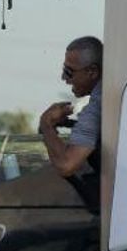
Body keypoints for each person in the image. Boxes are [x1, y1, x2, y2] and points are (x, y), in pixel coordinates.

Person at [39, 35, 103, 178]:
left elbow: (66, 165)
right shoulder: (108, 95)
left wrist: (46, 124)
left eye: (69, 72)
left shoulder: (99, 105)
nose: (63, 78)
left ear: (92, 72)